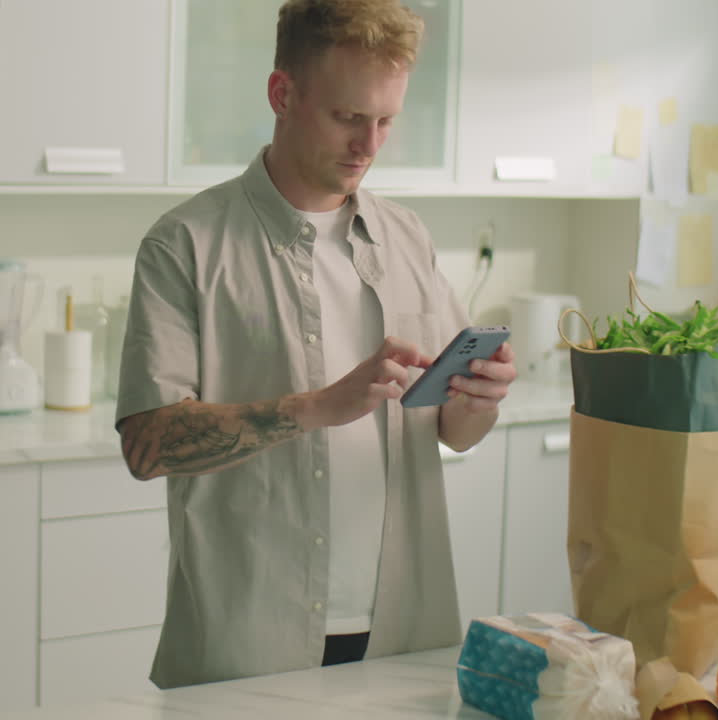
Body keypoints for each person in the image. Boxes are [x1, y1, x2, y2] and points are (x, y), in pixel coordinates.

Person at [115, 0, 517, 689]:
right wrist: (315, 407)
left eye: (386, 121)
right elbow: (147, 446)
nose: (369, 144)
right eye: (348, 117)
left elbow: (456, 431)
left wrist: (480, 399)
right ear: (282, 94)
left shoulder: (407, 238)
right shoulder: (184, 244)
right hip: (246, 645)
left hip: (404, 635)